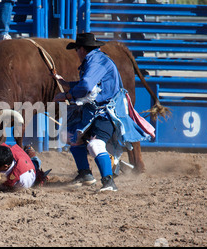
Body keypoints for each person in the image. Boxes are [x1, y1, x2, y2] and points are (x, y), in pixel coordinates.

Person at [53, 33, 151, 192]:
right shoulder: (95, 60)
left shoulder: (96, 62)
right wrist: (64, 82)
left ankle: (109, 182)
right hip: (95, 111)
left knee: (95, 145)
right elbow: (88, 85)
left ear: (82, 49)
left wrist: (67, 95)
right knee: (71, 136)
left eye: (77, 49)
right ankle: (85, 174)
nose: (76, 53)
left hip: (105, 113)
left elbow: (86, 87)